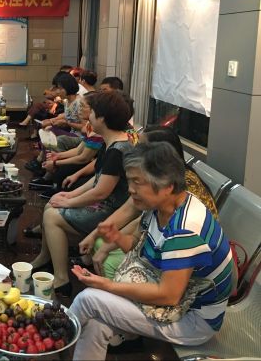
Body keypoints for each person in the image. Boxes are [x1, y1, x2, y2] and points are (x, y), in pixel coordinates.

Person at [69, 142, 235, 361]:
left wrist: (107, 285)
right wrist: (118, 238)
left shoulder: (185, 230)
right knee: (96, 323)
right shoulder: (161, 208)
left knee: (88, 299)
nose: (130, 189)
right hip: (175, 300)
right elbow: (139, 248)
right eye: (130, 181)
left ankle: (48, 343)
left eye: (137, 182)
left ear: (167, 186)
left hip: (194, 320)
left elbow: (168, 295)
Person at [29, 91, 134, 297]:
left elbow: (100, 193)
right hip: (105, 205)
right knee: (52, 204)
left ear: (102, 118)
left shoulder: (117, 150)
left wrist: (69, 202)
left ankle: (61, 279)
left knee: (52, 216)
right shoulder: (112, 142)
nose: (89, 116)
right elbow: (97, 179)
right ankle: (45, 258)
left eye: (92, 112)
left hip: (111, 212)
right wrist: (68, 196)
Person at [80, 125, 219, 280]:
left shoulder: (179, 203)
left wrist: (107, 284)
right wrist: (100, 236)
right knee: (101, 243)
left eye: (142, 146)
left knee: (110, 261)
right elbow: (135, 217)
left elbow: (170, 293)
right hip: (161, 242)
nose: (136, 149)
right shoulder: (160, 185)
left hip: (185, 266)